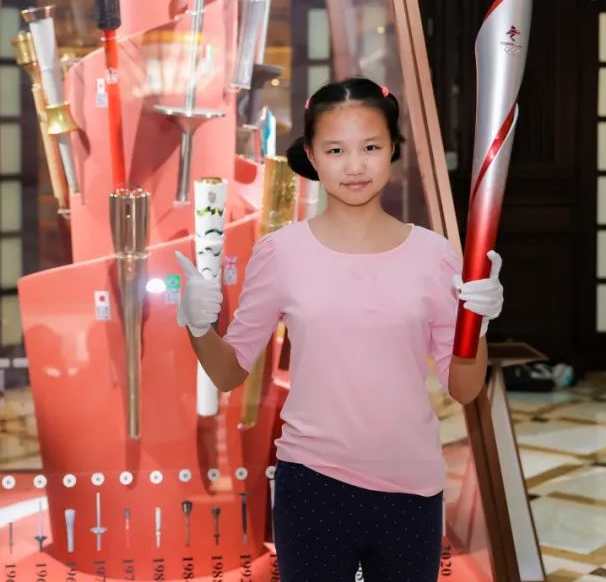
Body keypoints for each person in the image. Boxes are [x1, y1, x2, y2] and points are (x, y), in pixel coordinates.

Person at [174, 77, 504, 581]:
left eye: (370, 147)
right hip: (312, 484)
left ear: (393, 148)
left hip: (411, 487)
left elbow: (463, 387)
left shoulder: (434, 255)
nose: (354, 166)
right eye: (335, 150)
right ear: (311, 155)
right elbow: (229, 373)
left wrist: (475, 328)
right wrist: (199, 326)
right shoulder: (281, 253)